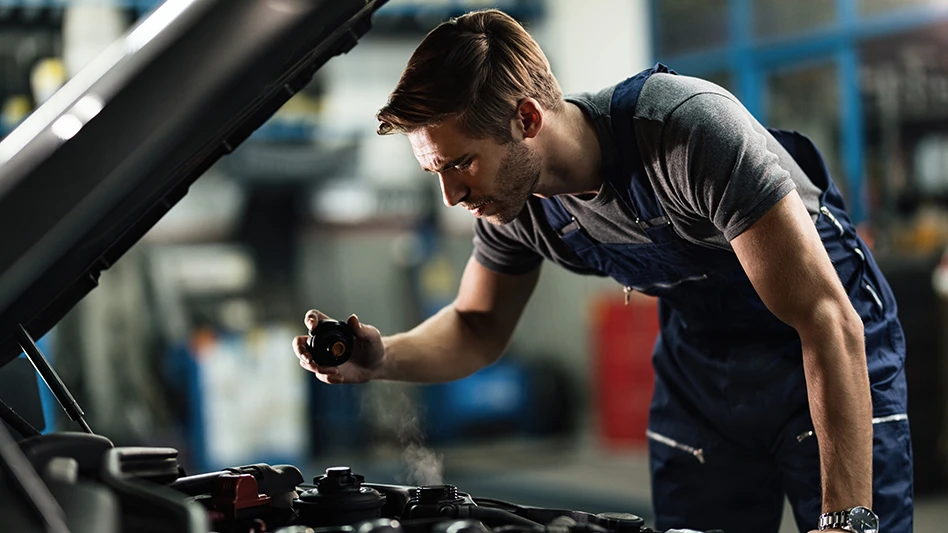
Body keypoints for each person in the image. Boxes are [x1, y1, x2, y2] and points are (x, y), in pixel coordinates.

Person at [292, 9, 912, 533]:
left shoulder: (686, 136)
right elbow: (477, 326)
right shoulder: (518, 210)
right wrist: (380, 359)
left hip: (827, 348)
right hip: (704, 370)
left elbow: (825, 320)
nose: (453, 196)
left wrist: (847, 520)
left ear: (527, 119)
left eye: (462, 165)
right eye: (437, 174)